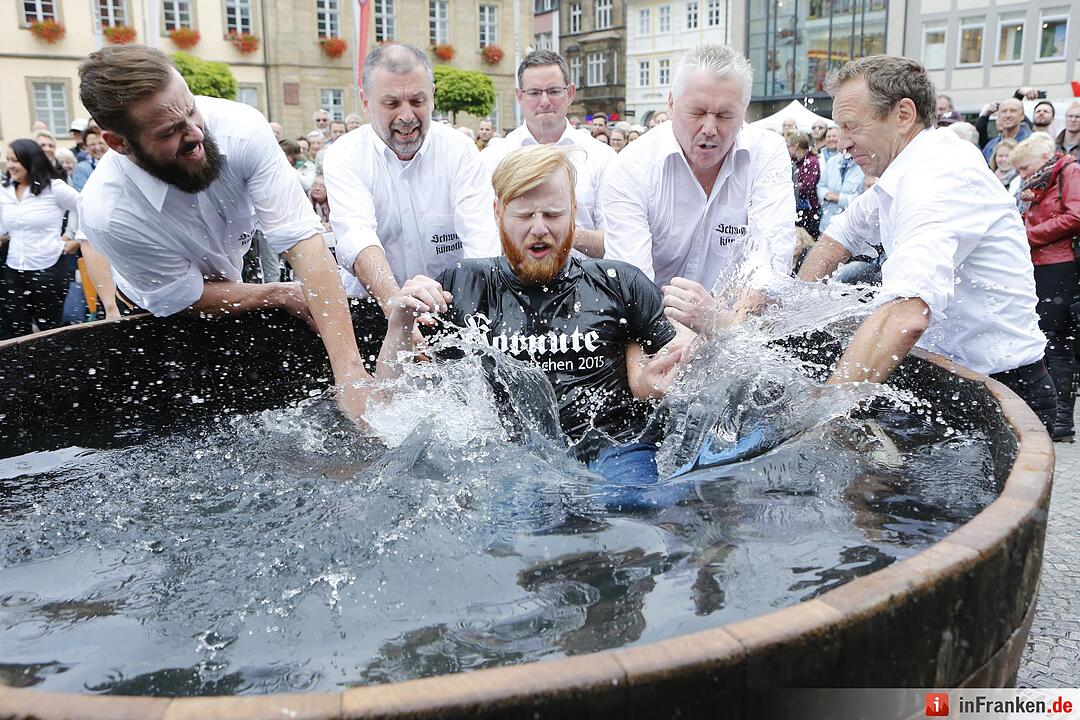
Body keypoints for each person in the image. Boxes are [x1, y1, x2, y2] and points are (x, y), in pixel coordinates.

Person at [74, 45, 372, 420]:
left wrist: (351, 375)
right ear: (118, 143)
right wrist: (278, 292)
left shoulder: (240, 129)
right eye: (170, 131)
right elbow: (186, 297)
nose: (195, 133)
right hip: (157, 312)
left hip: (232, 282)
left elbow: (303, 244)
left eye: (191, 109)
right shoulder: (109, 213)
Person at [378, 144, 690, 481]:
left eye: (553, 214)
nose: (539, 228)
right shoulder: (465, 284)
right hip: (510, 458)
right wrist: (400, 322)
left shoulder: (620, 282)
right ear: (498, 213)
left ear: (573, 212)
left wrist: (668, 376)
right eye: (525, 215)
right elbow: (395, 393)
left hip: (617, 448)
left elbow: (683, 363)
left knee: (635, 505)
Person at [798, 55, 1054, 432]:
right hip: (951, 375)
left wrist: (821, 413)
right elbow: (840, 235)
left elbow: (905, 316)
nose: (843, 144)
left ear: (903, 114)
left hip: (1003, 389)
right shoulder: (906, 169)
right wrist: (795, 311)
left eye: (851, 126)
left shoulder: (936, 177)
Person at [601, 43, 796, 333]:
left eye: (725, 115)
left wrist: (721, 324)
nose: (709, 128)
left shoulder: (767, 153)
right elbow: (631, 284)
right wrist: (677, 337)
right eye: (697, 112)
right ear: (671, 104)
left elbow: (770, 265)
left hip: (736, 323)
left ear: (744, 112)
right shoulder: (632, 167)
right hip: (652, 328)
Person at [323, 43, 499, 314]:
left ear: (432, 95)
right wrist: (395, 304)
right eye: (392, 104)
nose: (406, 116)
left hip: (451, 307)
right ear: (365, 101)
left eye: (417, 101)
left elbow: (481, 241)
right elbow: (357, 236)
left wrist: (475, 309)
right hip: (373, 306)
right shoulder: (345, 154)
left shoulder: (460, 150)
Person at [480, 50, 616, 258]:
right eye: (534, 92)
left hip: (586, 275)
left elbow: (615, 240)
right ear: (519, 96)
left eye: (553, 91)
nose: (544, 101)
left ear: (570, 93)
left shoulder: (601, 158)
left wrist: (564, 232)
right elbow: (482, 235)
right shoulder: (494, 157)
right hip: (510, 277)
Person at [1011, 134, 1080, 441]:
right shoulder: (1044, 181)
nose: (1022, 175)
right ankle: (1054, 417)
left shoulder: (1069, 171)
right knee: (1049, 340)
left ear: (1043, 159)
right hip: (1042, 262)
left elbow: (1075, 215)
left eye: (1024, 168)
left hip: (1060, 264)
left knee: (1057, 341)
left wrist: (1030, 235)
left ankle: (1062, 419)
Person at [0, 139, 81, 339]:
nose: (10, 165)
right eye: (8, 160)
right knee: (17, 332)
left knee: (49, 332)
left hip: (49, 270)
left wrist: (76, 239)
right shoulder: (4, 190)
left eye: (15, 160)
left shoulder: (54, 188)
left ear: (31, 161)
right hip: (14, 270)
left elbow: (86, 209)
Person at [816, 145, 864, 235]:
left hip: (850, 229)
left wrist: (839, 198)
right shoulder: (832, 161)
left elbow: (863, 198)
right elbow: (821, 186)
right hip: (827, 224)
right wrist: (825, 194)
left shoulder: (863, 165)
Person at [787, 131, 820, 238]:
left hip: (809, 211)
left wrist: (793, 186)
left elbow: (807, 186)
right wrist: (797, 185)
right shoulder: (794, 161)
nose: (787, 149)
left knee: (808, 242)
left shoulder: (812, 161)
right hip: (796, 208)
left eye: (788, 146)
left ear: (796, 146)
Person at [981, 98, 1031, 163]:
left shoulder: (1031, 142)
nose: (1008, 115)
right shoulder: (990, 146)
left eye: (1013, 111)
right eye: (1004, 111)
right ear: (998, 116)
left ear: (1022, 116)